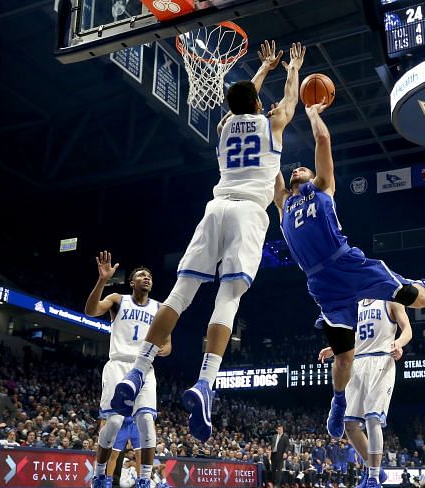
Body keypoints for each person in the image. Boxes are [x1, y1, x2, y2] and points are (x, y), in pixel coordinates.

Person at [110, 40, 307, 444]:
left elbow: (243, 101)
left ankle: (137, 370)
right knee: (228, 298)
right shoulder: (273, 125)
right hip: (249, 212)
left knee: (180, 294)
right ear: (257, 104)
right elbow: (290, 100)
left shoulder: (222, 129)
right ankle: (205, 383)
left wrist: (261, 70)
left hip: (215, 207)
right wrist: (290, 69)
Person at [273, 101, 425, 443]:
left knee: (418, 301)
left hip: (346, 263)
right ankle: (337, 402)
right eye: (294, 171)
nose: (297, 171)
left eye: (301, 169)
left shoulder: (323, 188)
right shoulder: (283, 204)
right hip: (320, 282)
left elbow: (322, 143)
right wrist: (273, 123)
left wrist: (312, 114)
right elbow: (270, 158)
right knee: (344, 356)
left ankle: (416, 284)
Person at [85, 254, 167, 488]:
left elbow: (168, 346)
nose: (147, 278)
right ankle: (99, 476)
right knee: (113, 422)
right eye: (142, 275)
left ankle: (144, 482)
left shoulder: (160, 308)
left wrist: (159, 349)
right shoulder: (117, 300)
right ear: (131, 282)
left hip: (144, 368)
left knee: (146, 422)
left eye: (150, 276)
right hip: (118, 365)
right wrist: (102, 281)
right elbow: (90, 311)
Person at [317, 299, 412, 488]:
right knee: (350, 425)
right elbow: (351, 337)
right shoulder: (355, 304)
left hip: (381, 360)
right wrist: (333, 348)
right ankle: (373, 468)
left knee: (373, 419)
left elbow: (407, 330)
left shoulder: (390, 300)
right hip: (356, 363)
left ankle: (373, 480)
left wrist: (399, 343)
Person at [270, 423, 289, 487]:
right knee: (273, 469)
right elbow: (272, 444)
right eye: (278, 429)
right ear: (277, 430)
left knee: (279, 470)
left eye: (281, 429)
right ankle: (273, 482)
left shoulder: (285, 436)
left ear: (282, 429)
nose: (280, 430)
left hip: (280, 455)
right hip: (273, 454)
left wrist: (285, 452)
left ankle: (277, 484)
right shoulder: (274, 436)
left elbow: (287, 446)